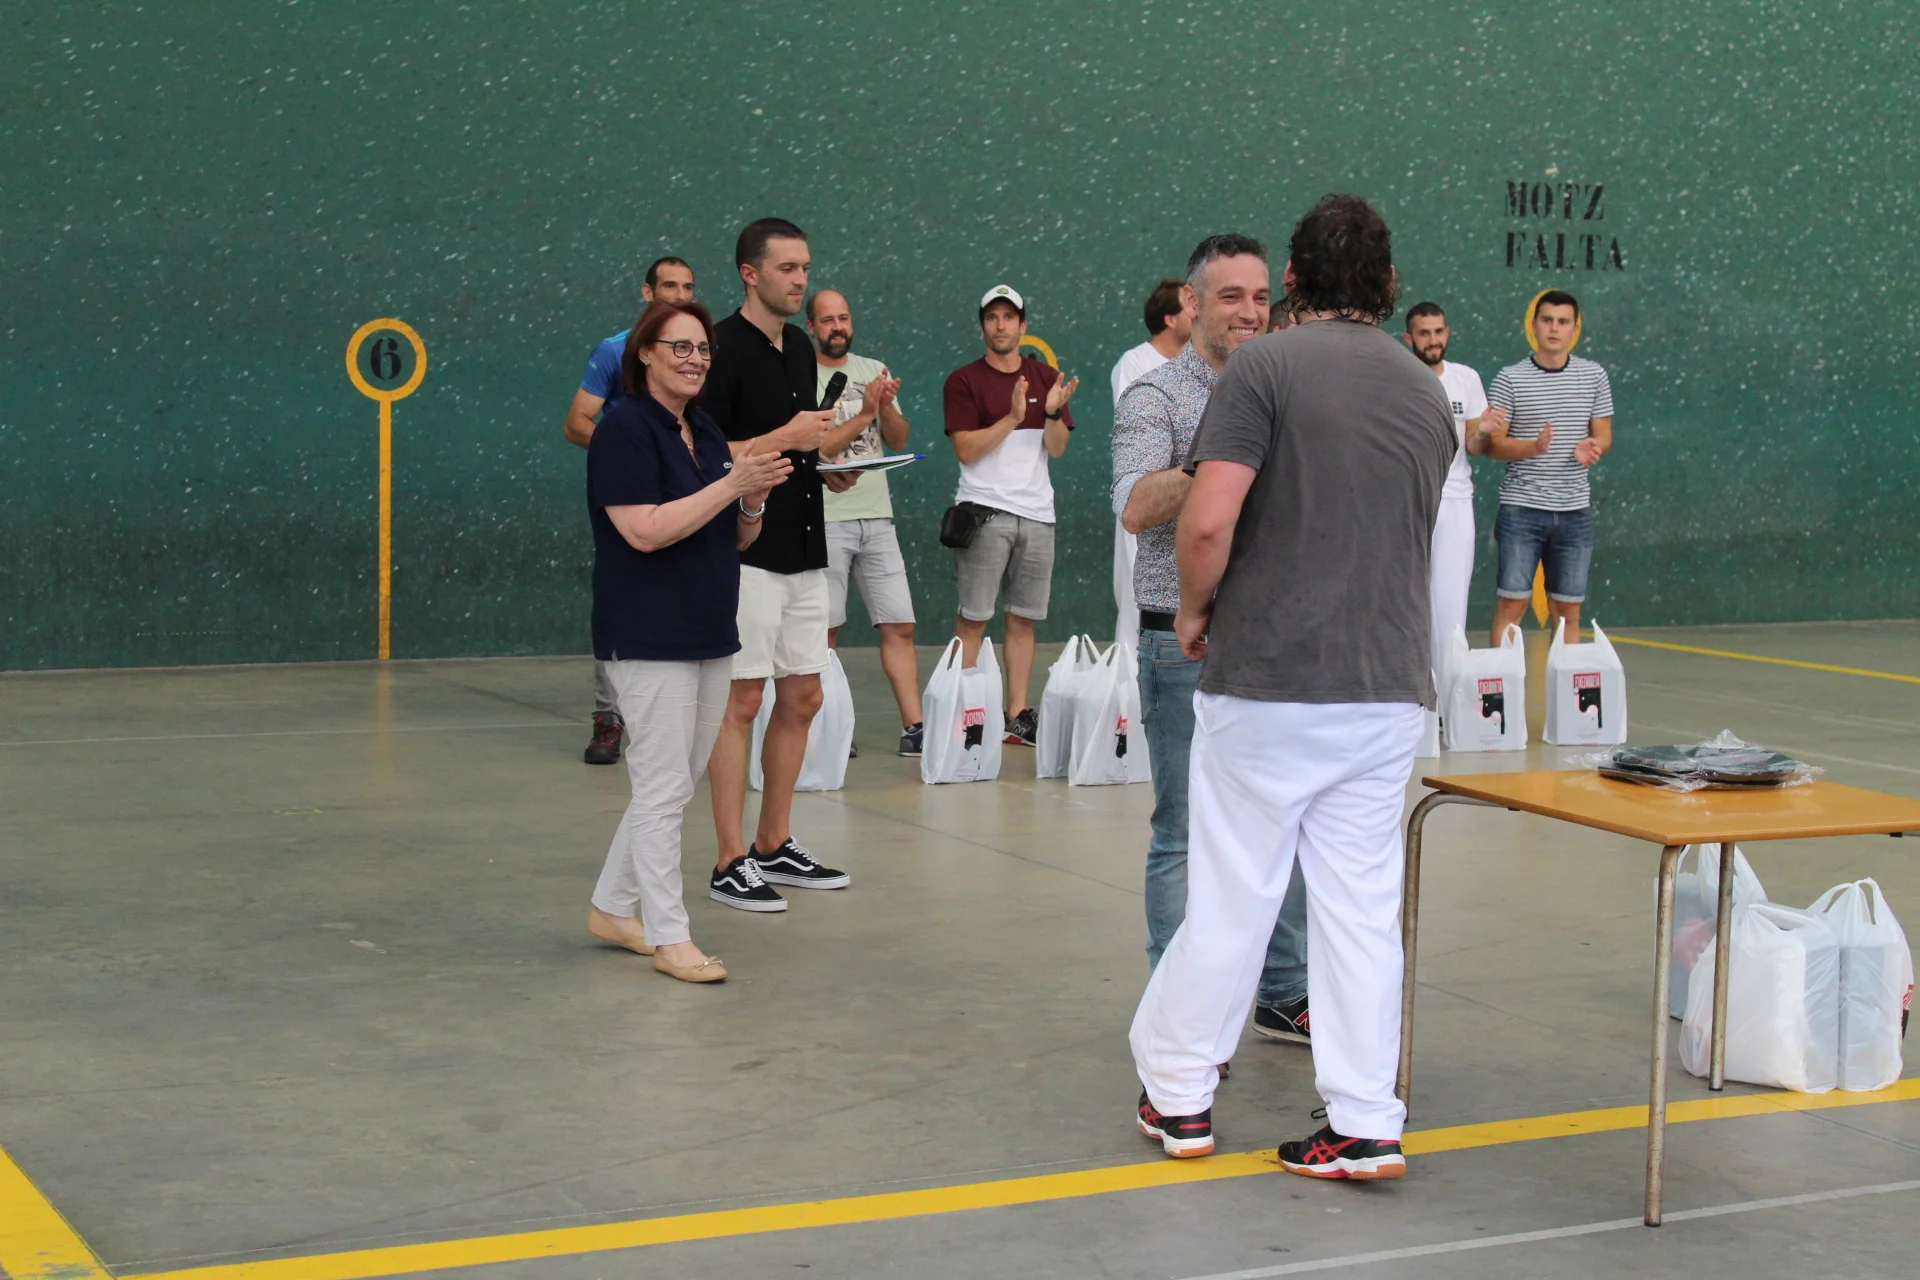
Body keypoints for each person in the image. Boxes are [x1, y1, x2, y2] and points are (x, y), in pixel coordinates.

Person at [1128, 194, 1454, 1180]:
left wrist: (1195, 609)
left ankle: (1181, 1097)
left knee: (1234, 896)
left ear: (1296, 282)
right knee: (1360, 912)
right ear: (1389, 285)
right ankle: (1365, 1120)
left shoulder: (1263, 369)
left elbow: (1207, 519)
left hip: (1270, 681)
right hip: (1385, 686)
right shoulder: (1426, 389)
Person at [1113, 234, 1313, 1057]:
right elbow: (1135, 506)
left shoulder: (1292, 388)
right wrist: (1220, 459)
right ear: (1191, 305)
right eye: (1231, 296)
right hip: (1180, 646)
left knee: (1286, 822)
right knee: (1184, 833)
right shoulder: (1156, 396)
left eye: (1261, 297)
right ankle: (1178, 1019)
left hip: (1276, 644)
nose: (1250, 312)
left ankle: (1285, 994)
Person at [583, 299, 792, 983]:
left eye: (703, 349)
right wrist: (732, 483)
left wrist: (751, 499)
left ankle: (612, 908)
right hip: (649, 634)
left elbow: (737, 537)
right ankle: (670, 936)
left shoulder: (702, 429)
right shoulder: (623, 429)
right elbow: (643, 530)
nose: (695, 359)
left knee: (672, 784)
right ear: (645, 353)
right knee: (662, 786)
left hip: (709, 630)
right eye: (680, 347)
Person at [701, 218, 852, 912]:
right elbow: (704, 453)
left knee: (804, 697)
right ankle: (729, 859)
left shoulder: (797, 347)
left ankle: (774, 843)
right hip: (745, 553)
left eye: (806, 267)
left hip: (805, 546)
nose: (800, 280)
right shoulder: (718, 349)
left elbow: (798, 449)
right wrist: (784, 437)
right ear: (750, 274)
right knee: (741, 702)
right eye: (787, 268)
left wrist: (826, 465)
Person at [563, 256, 698, 766]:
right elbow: (577, 422)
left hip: (687, 488)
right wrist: (633, 456)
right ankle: (608, 717)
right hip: (629, 493)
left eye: (687, 287)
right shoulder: (613, 351)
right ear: (647, 292)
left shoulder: (699, 357)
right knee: (620, 593)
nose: (679, 295)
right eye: (669, 286)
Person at [941, 285, 1080, 746]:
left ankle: (1016, 714)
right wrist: (1013, 418)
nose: (1000, 326)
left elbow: (1056, 448)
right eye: (992, 318)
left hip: (1038, 517)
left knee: (1023, 620)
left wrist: (1052, 414)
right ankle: (962, 712)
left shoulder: (1047, 377)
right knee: (974, 619)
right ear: (983, 327)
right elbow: (966, 450)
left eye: (1008, 317)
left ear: (1023, 326)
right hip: (984, 515)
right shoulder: (963, 381)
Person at [805, 289, 923, 758]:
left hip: (877, 517)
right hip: (826, 518)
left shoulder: (873, 369)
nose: (837, 327)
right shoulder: (800, 375)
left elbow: (898, 438)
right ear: (811, 327)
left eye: (844, 318)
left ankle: (915, 729)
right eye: (827, 320)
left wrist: (885, 405)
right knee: (825, 631)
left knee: (899, 624)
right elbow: (818, 449)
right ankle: (827, 725)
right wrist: (866, 413)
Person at [1478, 290, 1614, 645]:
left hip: (1574, 513)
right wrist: (1533, 447)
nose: (1554, 328)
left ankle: (1564, 684)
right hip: (1521, 510)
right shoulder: (1509, 378)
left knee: (1569, 612)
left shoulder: (1594, 376)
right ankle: (1502, 684)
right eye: (1547, 320)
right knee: (1512, 605)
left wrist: (1592, 447)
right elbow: (1493, 445)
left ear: (1575, 329)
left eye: (1563, 322)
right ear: (1534, 326)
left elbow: (1603, 434)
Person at [1403, 302, 1490, 687]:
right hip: (1405, 502)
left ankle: (1451, 699)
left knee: (1452, 604)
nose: (1433, 340)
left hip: (1454, 500)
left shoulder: (1466, 379)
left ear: (1447, 333)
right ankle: (1414, 696)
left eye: (1439, 331)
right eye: (1424, 333)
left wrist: (1484, 430)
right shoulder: (1397, 375)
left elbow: (1475, 444)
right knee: (1407, 601)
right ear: (1409, 338)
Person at [1109, 279, 1191, 652]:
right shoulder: (1135, 364)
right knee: (1135, 597)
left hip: (1188, 507)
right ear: (1170, 319)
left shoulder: (1197, 365)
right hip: (1146, 503)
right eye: (1188, 305)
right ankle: (1133, 676)